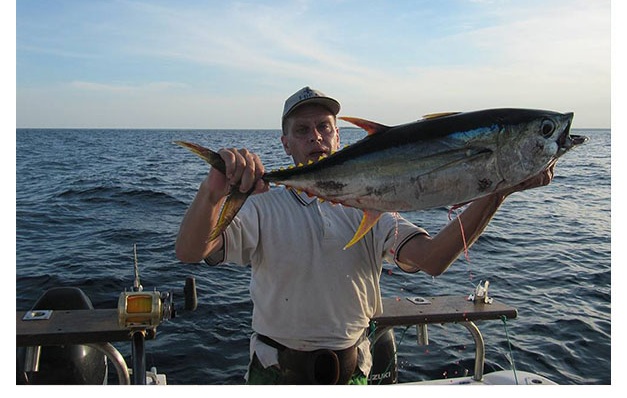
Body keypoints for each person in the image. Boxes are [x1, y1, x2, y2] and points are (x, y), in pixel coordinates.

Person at [175, 86, 555, 385]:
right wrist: (212, 193)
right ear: (285, 143)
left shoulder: (374, 209)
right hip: (275, 374)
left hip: (354, 374)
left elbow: (434, 260)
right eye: (302, 130)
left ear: (338, 137)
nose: (315, 137)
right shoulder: (261, 205)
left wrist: (497, 192)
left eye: (324, 127)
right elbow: (192, 250)